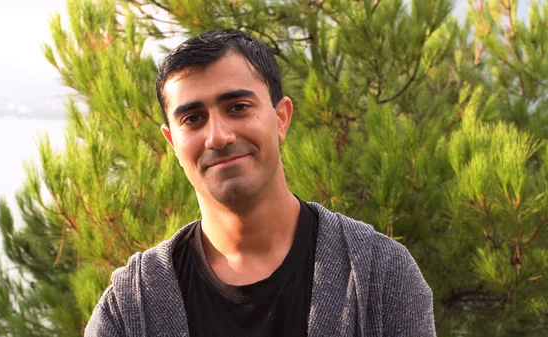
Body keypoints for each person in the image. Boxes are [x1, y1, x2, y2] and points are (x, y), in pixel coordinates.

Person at [85, 28, 436, 337]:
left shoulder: (381, 274)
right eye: (193, 118)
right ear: (172, 143)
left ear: (281, 118)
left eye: (237, 107)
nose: (218, 137)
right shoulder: (131, 306)